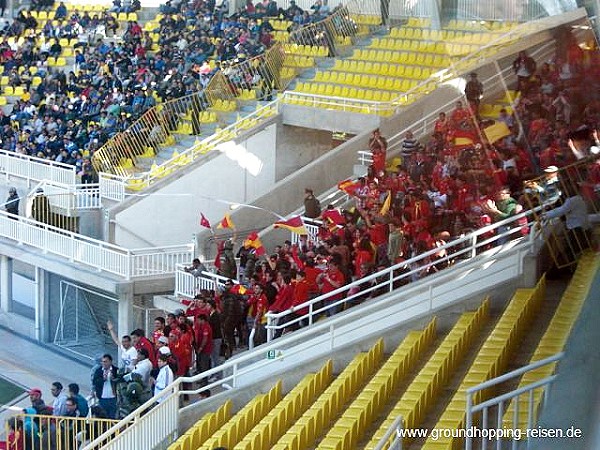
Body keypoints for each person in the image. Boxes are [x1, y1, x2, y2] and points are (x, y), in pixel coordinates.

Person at [92, 354, 118, 419]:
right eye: (103, 361)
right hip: (102, 398)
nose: (104, 363)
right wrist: (103, 379)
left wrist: (113, 379)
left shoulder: (116, 370)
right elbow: (95, 382)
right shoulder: (98, 371)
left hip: (113, 398)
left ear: (110, 361)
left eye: (105, 361)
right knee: (103, 417)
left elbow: (120, 381)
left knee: (112, 417)